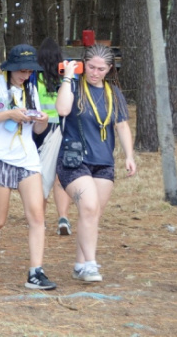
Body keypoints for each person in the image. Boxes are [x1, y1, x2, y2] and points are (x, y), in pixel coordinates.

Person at [0, 44, 57, 290]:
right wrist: (8, 114)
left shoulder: (31, 89)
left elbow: (37, 130)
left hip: (28, 159)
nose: (25, 75)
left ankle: (35, 272)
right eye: (21, 70)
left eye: (29, 71)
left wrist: (42, 120)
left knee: (37, 217)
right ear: (10, 68)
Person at [56, 44, 136, 283]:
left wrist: (129, 155)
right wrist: (68, 78)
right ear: (83, 63)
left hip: (103, 162)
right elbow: (62, 109)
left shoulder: (113, 93)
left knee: (91, 214)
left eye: (101, 68)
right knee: (89, 207)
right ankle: (91, 264)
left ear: (109, 69)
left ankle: (80, 264)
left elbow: (121, 125)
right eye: (91, 67)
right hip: (74, 160)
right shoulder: (75, 86)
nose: (95, 72)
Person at [33, 38, 72, 235]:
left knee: (41, 175)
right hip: (64, 129)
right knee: (60, 176)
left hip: (41, 129)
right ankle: (63, 217)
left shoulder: (34, 78)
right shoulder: (65, 78)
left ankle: (40, 218)